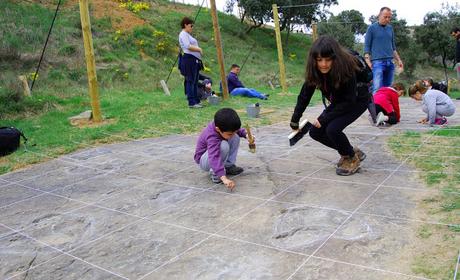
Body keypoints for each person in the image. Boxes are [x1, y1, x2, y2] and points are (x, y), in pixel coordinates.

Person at [290, 36, 368, 176]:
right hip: (339, 102)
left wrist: (324, 119)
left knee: (333, 129)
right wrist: (295, 119)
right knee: (315, 132)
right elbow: (304, 96)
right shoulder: (315, 70)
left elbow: (349, 101)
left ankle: (351, 158)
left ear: (335, 58)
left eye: (328, 59)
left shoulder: (347, 68)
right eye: (319, 60)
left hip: (358, 100)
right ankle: (350, 151)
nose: (323, 64)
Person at [194, 108, 251, 191]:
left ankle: (228, 166)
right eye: (229, 133)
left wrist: (246, 135)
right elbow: (214, 156)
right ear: (218, 129)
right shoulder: (212, 136)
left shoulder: (223, 125)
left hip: (212, 156)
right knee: (223, 145)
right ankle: (216, 174)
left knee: (235, 137)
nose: (232, 134)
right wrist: (223, 178)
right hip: (205, 161)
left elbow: (236, 130)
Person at [364, 7, 404, 93]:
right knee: (377, 89)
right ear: (379, 15)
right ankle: (376, 106)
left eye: (389, 17)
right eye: (385, 17)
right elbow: (367, 47)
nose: (387, 19)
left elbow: (393, 47)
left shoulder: (390, 28)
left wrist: (399, 60)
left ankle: (384, 106)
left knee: (387, 89)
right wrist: (368, 62)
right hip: (377, 63)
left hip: (390, 62)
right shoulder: (371, 28)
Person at [179, 17, 203, 109]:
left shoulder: (188, 35)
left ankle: (196, 100)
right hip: (189, 60)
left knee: (195, 81)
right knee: (190, 81)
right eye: (191, 25)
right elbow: (187, 46)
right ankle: (191, 102)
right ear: (185, 24)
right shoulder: (183, 34)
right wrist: (199, 49)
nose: (192, 27)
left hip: (194, 60)